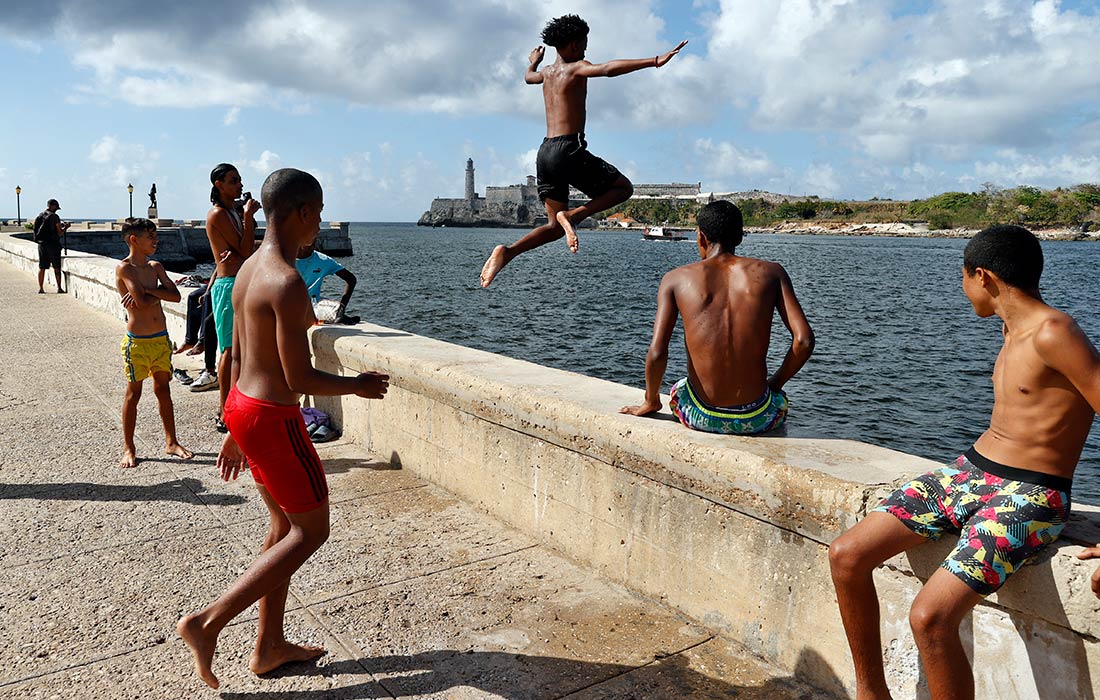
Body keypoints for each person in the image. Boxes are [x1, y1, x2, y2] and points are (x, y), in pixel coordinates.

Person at [829, 224, 1100, 700]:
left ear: (983, 276)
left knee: (929, 618)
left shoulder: (1054, 331)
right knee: (847, 556)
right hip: (970, 472)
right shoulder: (1010, 326)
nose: (962, 288)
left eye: (963, 277)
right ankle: (871, 693)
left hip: (1030, 495)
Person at [177, 168, 389, 689]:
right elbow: (298, 378)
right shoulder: (289, 282)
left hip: (246, 408)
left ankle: (269, 647)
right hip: (274, 418)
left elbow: (239, 355)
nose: (319, 222)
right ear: (304, 213)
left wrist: (232, 424)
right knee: (311, 531)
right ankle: (207, 624)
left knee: (280, 531)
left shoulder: (248, 268)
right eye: (318, 212)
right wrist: (357, 386)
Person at [479, 15, 687, 287]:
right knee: (624, 189)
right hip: (568, 149)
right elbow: (608, 68)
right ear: (574, 46)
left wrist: (533, 61)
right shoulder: (576, 68)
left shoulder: (546, 74)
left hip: (545, 153)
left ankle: (508, 252)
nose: (586, 50)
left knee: (554, 229)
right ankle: (573, 216)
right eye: (584, 44)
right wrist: (655, 61)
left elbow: (529, 77)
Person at [620, 201, 814, 435]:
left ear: (701, 237)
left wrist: (651, 401)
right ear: (740, 237)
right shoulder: (773, 272)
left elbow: (657, 352)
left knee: (680, 388)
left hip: (701, 415)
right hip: (758, 416)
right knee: (777, 399)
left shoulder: (675, 279)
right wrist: (775, 384)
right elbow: (803, 341)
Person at [114, 218, 194, 469]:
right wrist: (154, 293)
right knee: (133, 393)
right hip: (137, 343)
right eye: (151, 237)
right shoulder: (125, 269)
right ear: (134, 240)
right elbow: (141, 302)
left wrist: (151, 291)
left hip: (160, 339)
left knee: (163, 390)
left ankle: (171, 442)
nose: (156, 241)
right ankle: (129, 447)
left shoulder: (155, 266)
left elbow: (176, 295)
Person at [205, 163, 261, 430]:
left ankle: (235, 404)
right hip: (228, 285)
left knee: (241, 349)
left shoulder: (232, 214)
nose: (239, 185)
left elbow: (245, 249)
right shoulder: (218, 215)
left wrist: (245, 225)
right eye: (233, 180)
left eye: (239, 180)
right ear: (219, 185)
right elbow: (246, 248)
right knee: (229, 349)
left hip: (240, 281)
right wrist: (249, 215)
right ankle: (223, 411)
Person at [295, 242, 359, 323]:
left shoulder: (323, 260)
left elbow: (351, 279)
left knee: (335, 312)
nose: (312, 243)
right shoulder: (283, 259)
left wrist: (341, 308)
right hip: (286, 306)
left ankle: (341, 315)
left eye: (315, 239)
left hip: (312, 307)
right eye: (309, 239)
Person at [33, 198, 70, 294]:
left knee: (42, 267)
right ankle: (59, 288)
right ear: (52, 206)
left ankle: (41, 288)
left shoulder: (41, 215)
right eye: (56, 207)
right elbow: (60, 232)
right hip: (52, 245)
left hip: (41, 244)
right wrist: (66, 227)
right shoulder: (54, 216)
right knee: (56, 267)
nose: (56, 209)